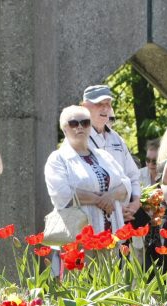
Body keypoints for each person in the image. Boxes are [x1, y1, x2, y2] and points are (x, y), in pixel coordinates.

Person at [44, 105, 130, 238]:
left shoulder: (104, 156)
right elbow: (61, 194)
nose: (80, 127)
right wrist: (99, 200)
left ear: (90, 127)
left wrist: (110, 196)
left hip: (112, 233)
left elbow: (126, 184)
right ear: (64, 128)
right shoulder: (58, 158)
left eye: (85, 123)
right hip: (79, 236)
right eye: (73, 123)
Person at [82, 84, 142, 226]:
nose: (105, 108)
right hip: (95, 220)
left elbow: (133, 175)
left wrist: (135, 203)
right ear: (85, 106)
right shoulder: (79, 138)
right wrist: (116, 207)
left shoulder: (116, 138)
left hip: (124, 220)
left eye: (108, 104)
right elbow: (83, 184)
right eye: (99, 104)